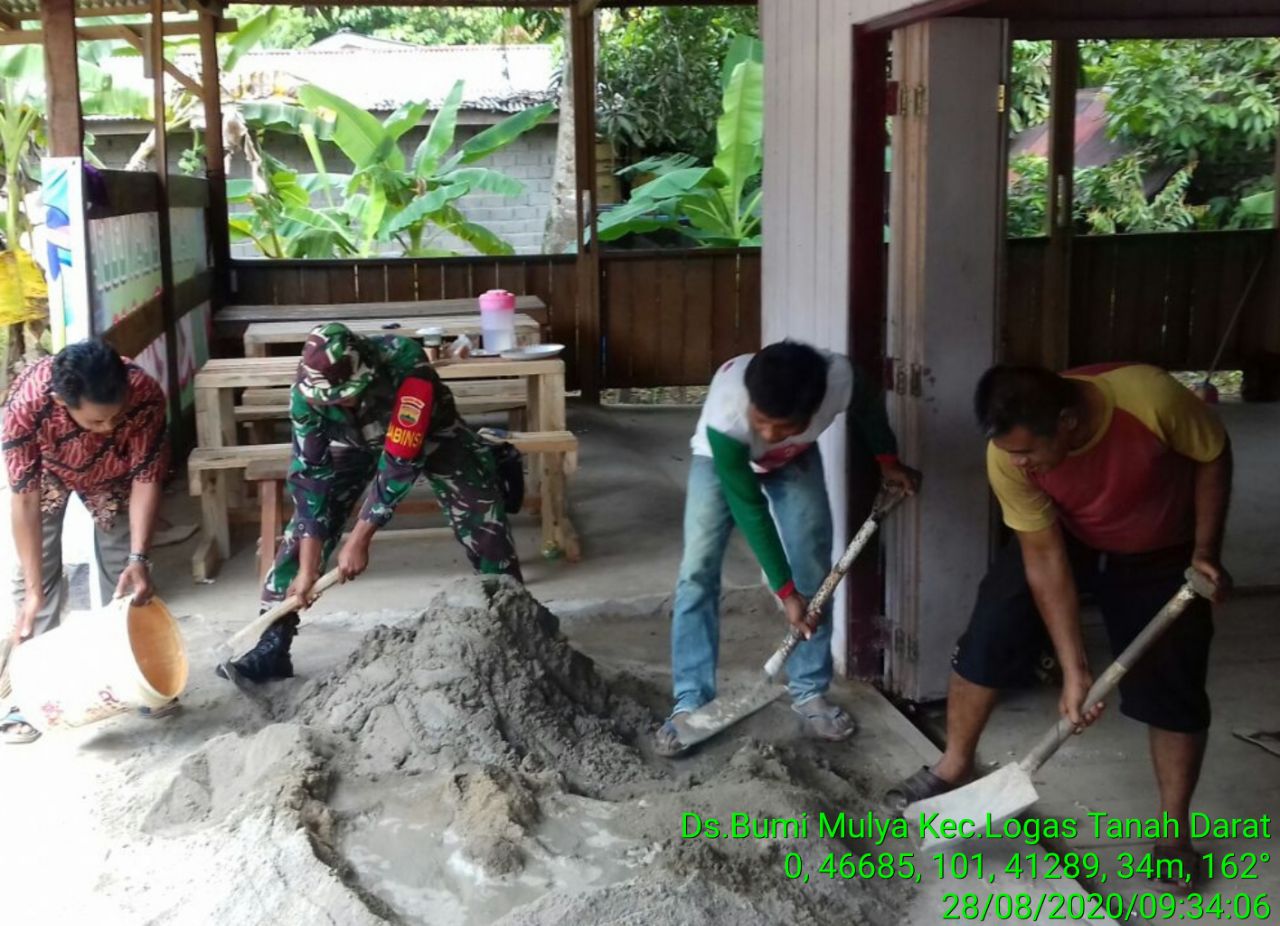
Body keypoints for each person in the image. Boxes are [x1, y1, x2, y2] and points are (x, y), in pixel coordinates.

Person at [886, 363, 1230, 894]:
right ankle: (953, 766)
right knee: (990, 633)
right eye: (1010, 450)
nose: (1016, 461)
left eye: (1027, 451)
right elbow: (1043, 559)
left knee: (1172, 683)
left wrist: (1206, 550)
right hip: (1067, 532)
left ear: (1068, 422)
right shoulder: (1006, 458)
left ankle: (1173, 835)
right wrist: (1074, 669)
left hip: (1161, 542)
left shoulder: (1152, 400)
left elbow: (1212, 456)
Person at [656, 340, 920, 755]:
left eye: (781, 426)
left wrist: (887, 458)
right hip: (720, 461)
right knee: (697, 571)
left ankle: (809, 691)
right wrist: (784, 591)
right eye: (761, 422)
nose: (767, 434)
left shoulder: (839, 379)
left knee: (814, 565)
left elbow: (868, 404)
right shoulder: (727, 418)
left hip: (793, 460)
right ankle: (691, 699)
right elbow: (750, 509)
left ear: (814, 410)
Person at [223, 322, 522, 683]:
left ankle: (517, 628)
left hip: (436, 438)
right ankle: (273, 645)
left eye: (347, 394)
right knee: (300, 537)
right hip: (356, 444)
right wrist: (308, 566)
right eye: (330, 400)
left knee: (484, 522)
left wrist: (360, 538)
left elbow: (399, 463)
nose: (339, 403)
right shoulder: (306, 391)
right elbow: (310, 478)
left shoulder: (407, 368)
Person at [1, 340, 170, 744]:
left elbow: (147, 475)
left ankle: (136, 678)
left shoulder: (143, 394)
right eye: (97, 421)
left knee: (127, 578)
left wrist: (139, 557)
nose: (109, 426)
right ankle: (33, 695)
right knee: (34, 589)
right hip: (47, 475)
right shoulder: (26, 404)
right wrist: (36, 591)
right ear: (62, 402)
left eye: (117, 416)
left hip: (114, 474)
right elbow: (24, 498)